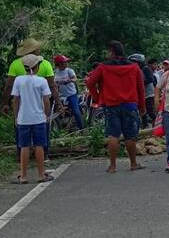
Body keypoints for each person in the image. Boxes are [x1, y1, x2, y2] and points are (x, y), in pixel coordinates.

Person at [86, 41, 146, 173]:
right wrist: (142, 106)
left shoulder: (103, 67)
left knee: (113, 135)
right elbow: (141, 88)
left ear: (112, 51)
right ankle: (133, 163)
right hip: (130, 105)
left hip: (111, 105)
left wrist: (98, 98)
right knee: (130, 136)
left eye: (108, 51)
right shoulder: (134, 67)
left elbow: (90, 83)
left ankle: (112, 166)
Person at [1, 38, 61, 158]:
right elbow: (52, 85)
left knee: (20, 127)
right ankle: (44, 154)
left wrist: (5, 103)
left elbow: (9, 86)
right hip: (40, 103)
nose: (39, 49)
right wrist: (58, 102)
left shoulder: (16, 64)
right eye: (37, 48)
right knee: (43, 129)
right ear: (34, 50)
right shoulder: (45, 64)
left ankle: (21, 155)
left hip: (22, 103)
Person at [11, 54, 53, 183]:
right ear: (37, 67)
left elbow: (16, 100)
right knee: (39, 145)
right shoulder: (42, 81)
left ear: (24, 68)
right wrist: (46, 115)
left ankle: (23, 176)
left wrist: (16, 116)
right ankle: (41, 174)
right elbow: (46, 100)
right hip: (39, 118)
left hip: (23, 118)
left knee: (24, 146)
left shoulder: (18, 80)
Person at [53, 55, 85, 130]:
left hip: (71, 95)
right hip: (60, 95)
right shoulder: (55, 72)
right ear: (59, 63)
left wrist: (71, 80)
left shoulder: (69, 71)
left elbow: (75, 78)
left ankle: (82, 129)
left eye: (66, 62)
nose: (66, 63)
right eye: (64, 62)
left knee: (76, 111)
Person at [130, 54, 157, 128]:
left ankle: (157, 123)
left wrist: (140, 83)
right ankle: (145, 125)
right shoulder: (138, 70)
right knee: (142, 110)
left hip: (148, 93)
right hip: (142, 94)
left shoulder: (146, 69)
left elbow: (150, 79)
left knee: (149, 110)